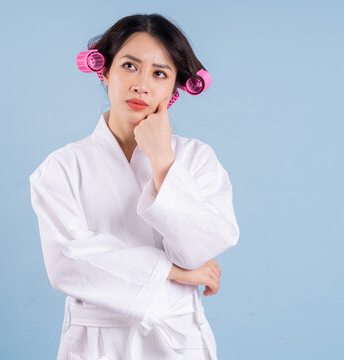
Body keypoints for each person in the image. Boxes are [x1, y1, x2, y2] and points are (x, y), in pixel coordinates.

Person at [29, 13, 240, 360]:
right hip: (96, 343)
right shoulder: (61, 167)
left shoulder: (197, 159)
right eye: (130, 66)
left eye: (160, 73)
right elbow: (67, 264)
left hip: (178, 341)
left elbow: (199, 250)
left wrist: (162, 161)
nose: (142, 84)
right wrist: (174, 273)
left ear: (175, 88)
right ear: (105, 70)